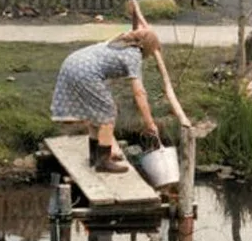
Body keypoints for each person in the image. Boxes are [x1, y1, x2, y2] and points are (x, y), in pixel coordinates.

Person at [50, 26, 191, 173]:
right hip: (85, 72)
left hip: (72, 63)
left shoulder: (121, 41)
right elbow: (139, 93)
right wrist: (150, 123)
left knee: (96, 114)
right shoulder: (133, 55)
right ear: (147, 47)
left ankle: (96, 155)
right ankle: (103, 162)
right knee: (108, 114)